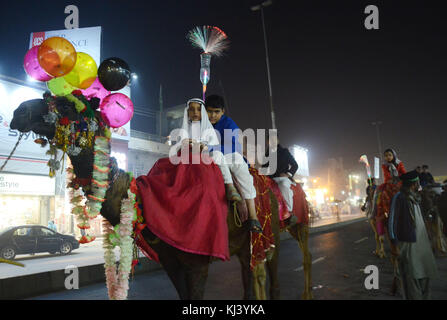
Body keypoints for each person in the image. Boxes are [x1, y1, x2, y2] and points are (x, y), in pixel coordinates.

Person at [185, 97, 262, 233]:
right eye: (209, 112)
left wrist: (210, 147)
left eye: (216, 112)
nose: (213, 115)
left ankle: (252, 215)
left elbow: (234, 146)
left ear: (222, 112)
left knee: (241, 169)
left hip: (228, 154)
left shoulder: (229, 123)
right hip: (206, 157)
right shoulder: (199, 124)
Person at [388, 170, 438, 300]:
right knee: (412, 276)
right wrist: (394, 244)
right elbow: (391, 221)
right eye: (417, 182)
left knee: (425, 274)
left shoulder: (417, 197)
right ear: (413, 184)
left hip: (422, 244)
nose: (419, 184)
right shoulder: (399, 197)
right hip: (408, 244)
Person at [262, 132, 299, 226]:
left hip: (282, 179)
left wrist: (288, 174)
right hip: (271, 180)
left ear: (278, 140)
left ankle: (290, 213)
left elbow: (295, 165)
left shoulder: (284, 152)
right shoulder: (267, 154)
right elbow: (264, 168)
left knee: (283, 186)